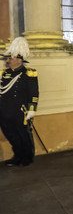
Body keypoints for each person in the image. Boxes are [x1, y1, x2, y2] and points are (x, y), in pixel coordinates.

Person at [0, 37, 39, 167]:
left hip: (19, 111)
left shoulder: (29, 73)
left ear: (18, 59)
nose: (7, 61)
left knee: (23, 134)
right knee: (10, 134)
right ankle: (17, 156)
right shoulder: (4, 74)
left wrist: (32, 109)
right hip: (4, 111)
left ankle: (27, 157)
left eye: (9, 58)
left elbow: (33, 93)